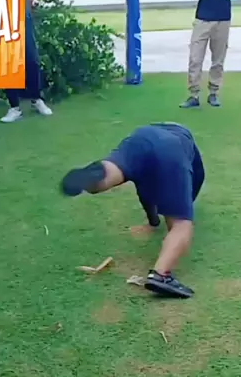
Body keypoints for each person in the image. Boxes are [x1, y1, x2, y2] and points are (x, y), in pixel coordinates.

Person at [61, 123, 205, 299]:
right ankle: (161, 275)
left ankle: (95, 180)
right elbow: (192, 187)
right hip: (171, 148)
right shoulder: (187, 149)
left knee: (118, 168)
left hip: (140, 138)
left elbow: (143, 191)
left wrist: (153, 221)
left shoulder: (154, 132)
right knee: (181, 224)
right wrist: (178, 208)